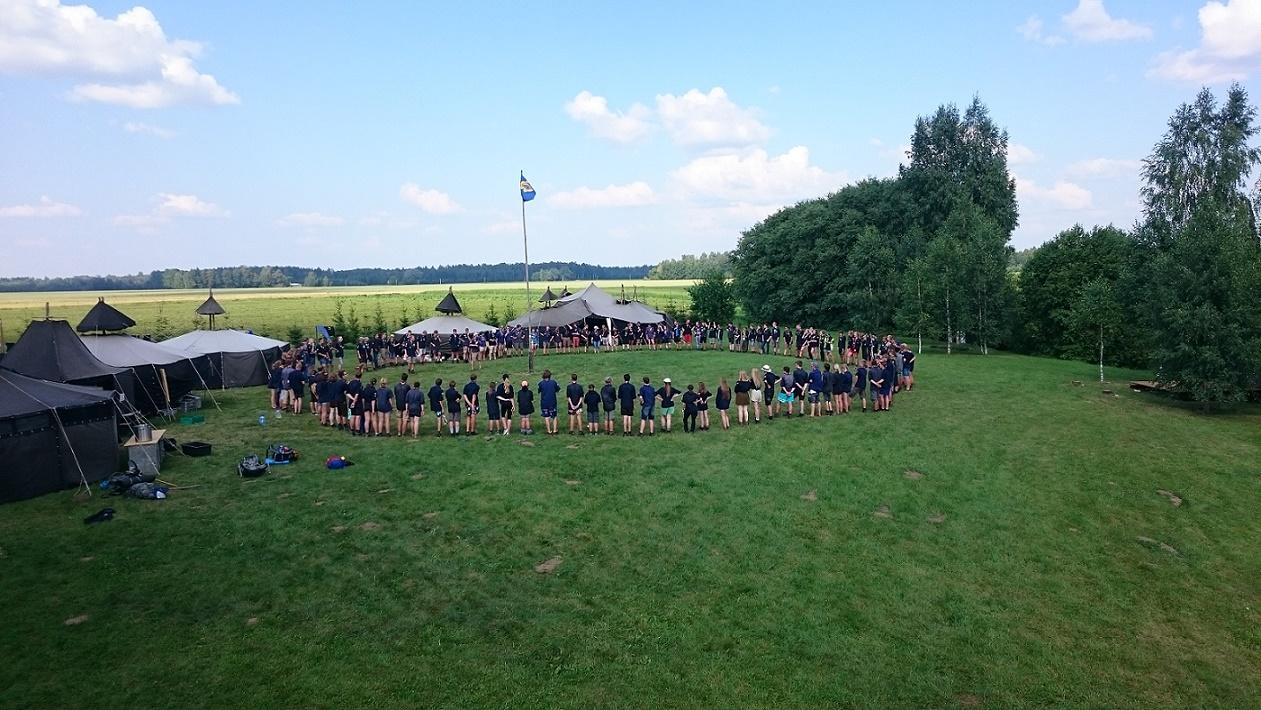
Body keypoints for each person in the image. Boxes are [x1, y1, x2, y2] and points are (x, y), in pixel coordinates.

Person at [538, 370, 561, 436]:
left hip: (544, 402)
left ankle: (549, 431)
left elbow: (539, 390)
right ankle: (555, 430)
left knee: (546, 416)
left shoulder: (541, 383)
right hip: (552, 402)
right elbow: (558, 389)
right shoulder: (553, 382)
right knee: (554, 416)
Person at [347, 371, 365, 435]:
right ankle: (357, 430)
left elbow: (347, 393)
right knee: (358, 417)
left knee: (352, 416)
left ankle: (352, 430)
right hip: (357, 402)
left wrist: (352, 399)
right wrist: (354, 401)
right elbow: (357, 394)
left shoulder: (350, 383)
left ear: (355, 376)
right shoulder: (359, 384)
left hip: (350, 402)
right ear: (361, 377)